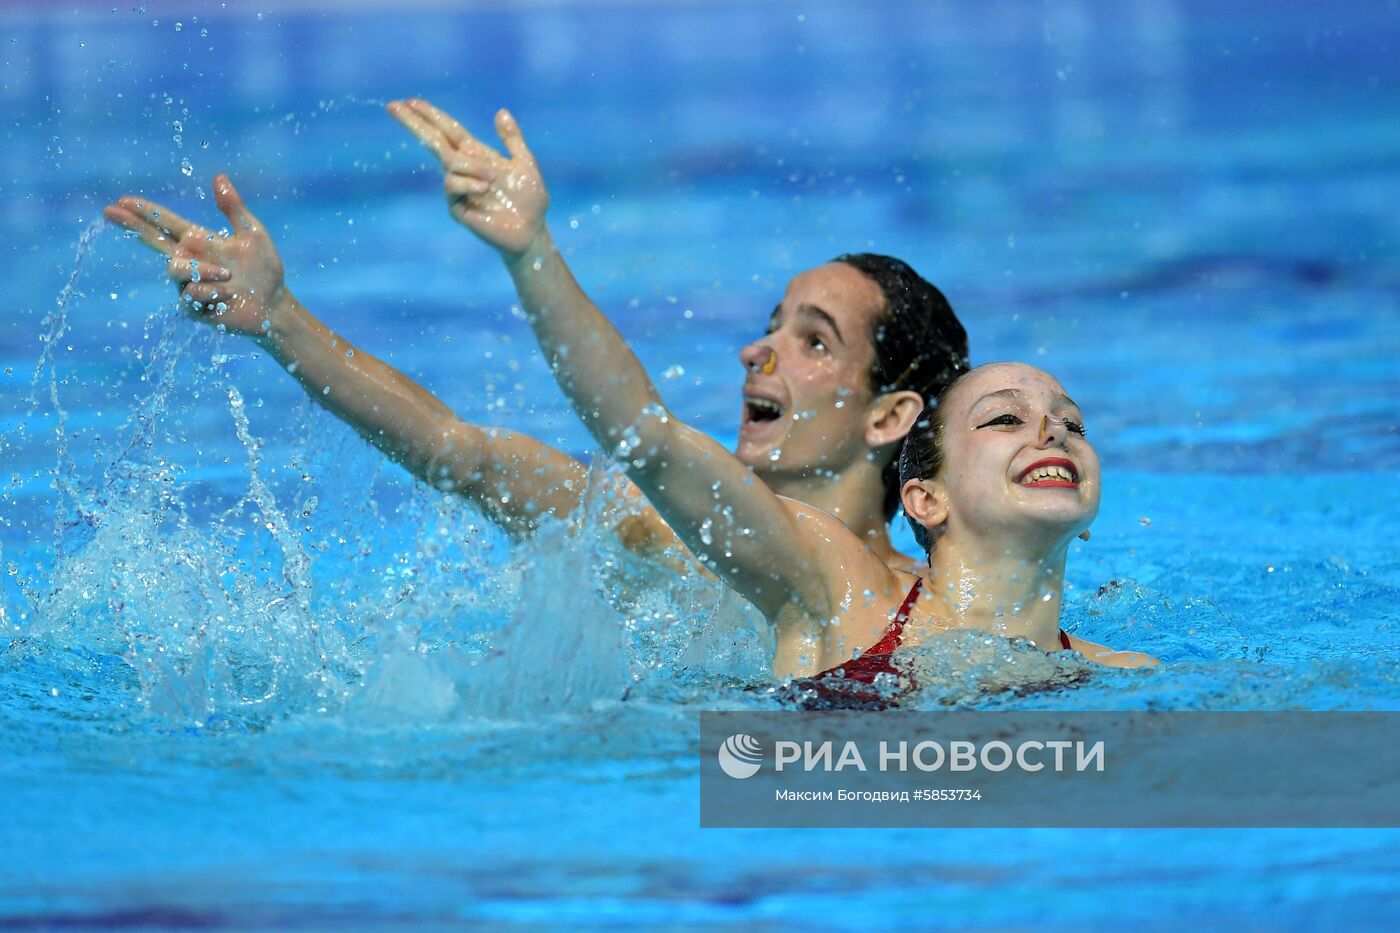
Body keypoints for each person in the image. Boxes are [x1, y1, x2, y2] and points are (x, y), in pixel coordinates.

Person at [392, 101, 1155, 686]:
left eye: (1072, 423)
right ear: (925, 497)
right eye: (1006, 418)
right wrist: (532, 254)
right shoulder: (837, 584)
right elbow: (643, 437)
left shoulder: (1123, 673)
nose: (1052, 432)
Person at [101, 106, 967, 585]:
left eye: (812, 340)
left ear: (890, 415)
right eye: (772, 322)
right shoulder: (655, 535)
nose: (757, 352)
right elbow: (458, 452)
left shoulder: (929, 603)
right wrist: (279, 320)